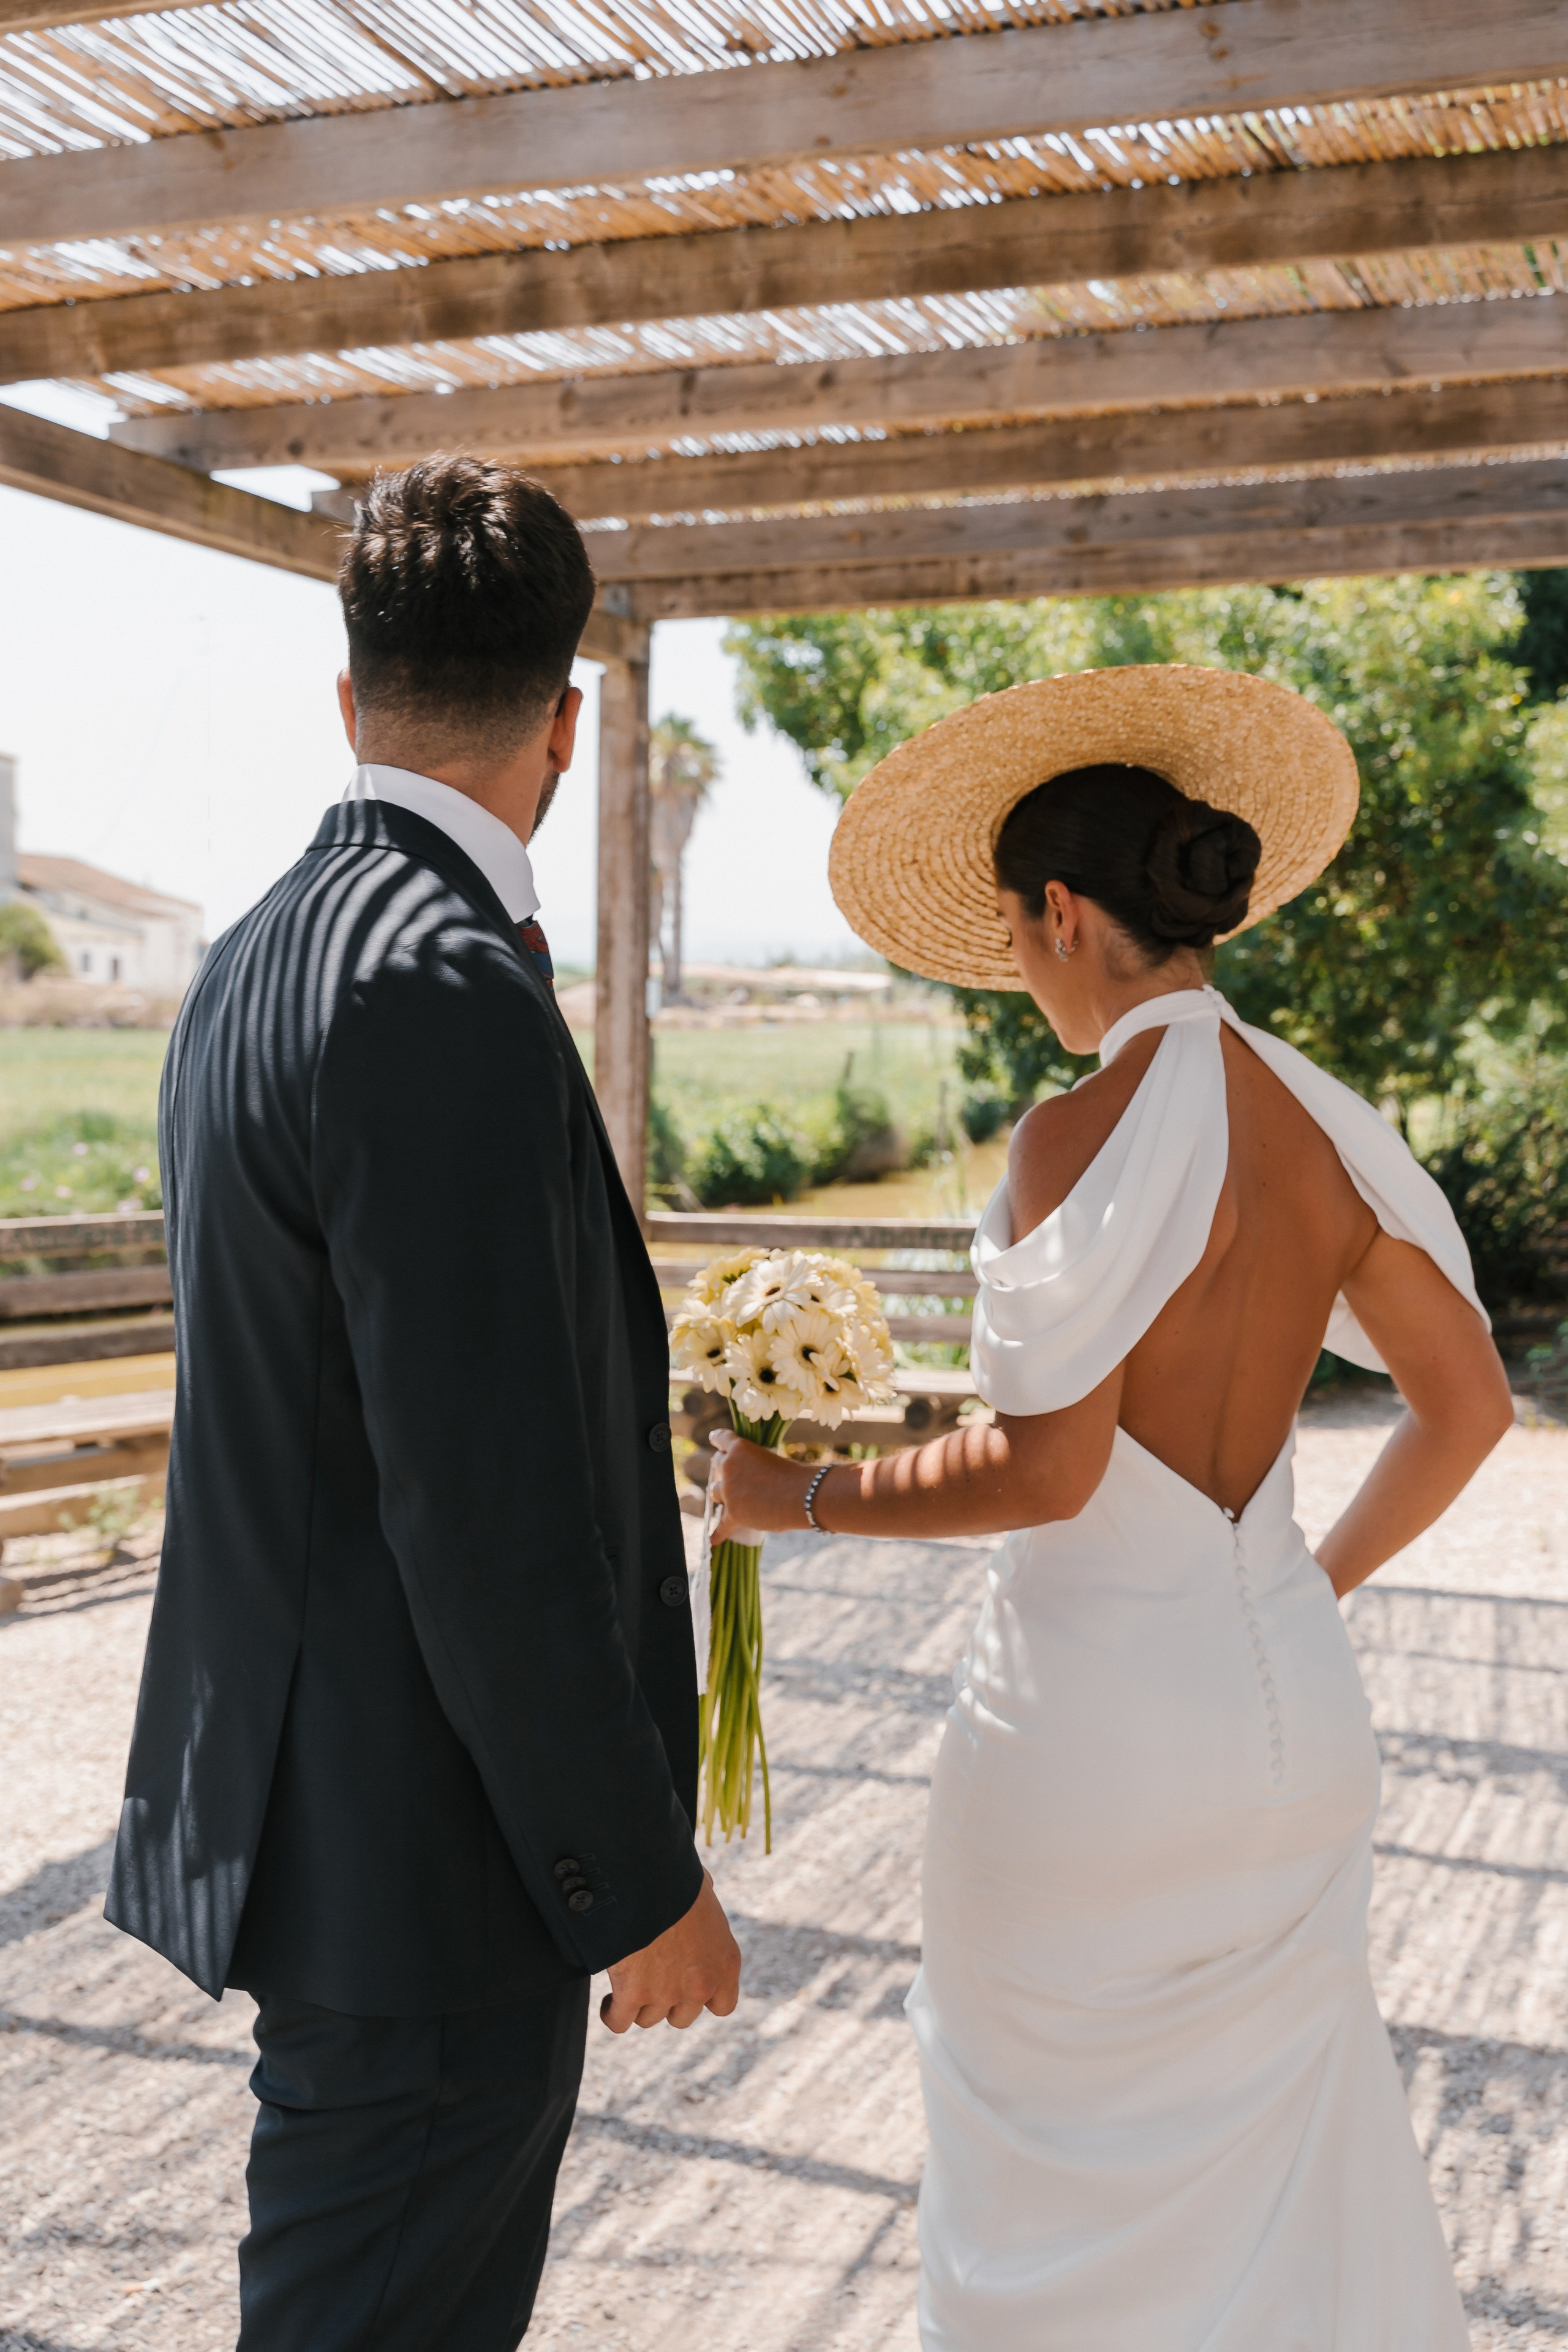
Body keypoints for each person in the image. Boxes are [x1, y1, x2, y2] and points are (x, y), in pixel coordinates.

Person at [711, 664, 1509, 2348]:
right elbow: (1472, 1405)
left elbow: (1048, 1472)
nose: (1019, 968)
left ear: (1066, 913)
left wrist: (799, 1497)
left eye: (1012, 930)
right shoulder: (1325, 1132)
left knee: (1042, 2180)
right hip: (1291, 1725)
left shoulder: (1074, 1140)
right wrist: (1307, 1585)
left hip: (1092, 1757)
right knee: (1286, 2184)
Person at [106, 456, 741, 2351]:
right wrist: (632, 1884)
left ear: (348, 692)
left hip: (329, 1828)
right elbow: (484, 1512)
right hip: (431, 1869)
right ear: (566, 719)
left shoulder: (253, 962)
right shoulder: (439, 987)